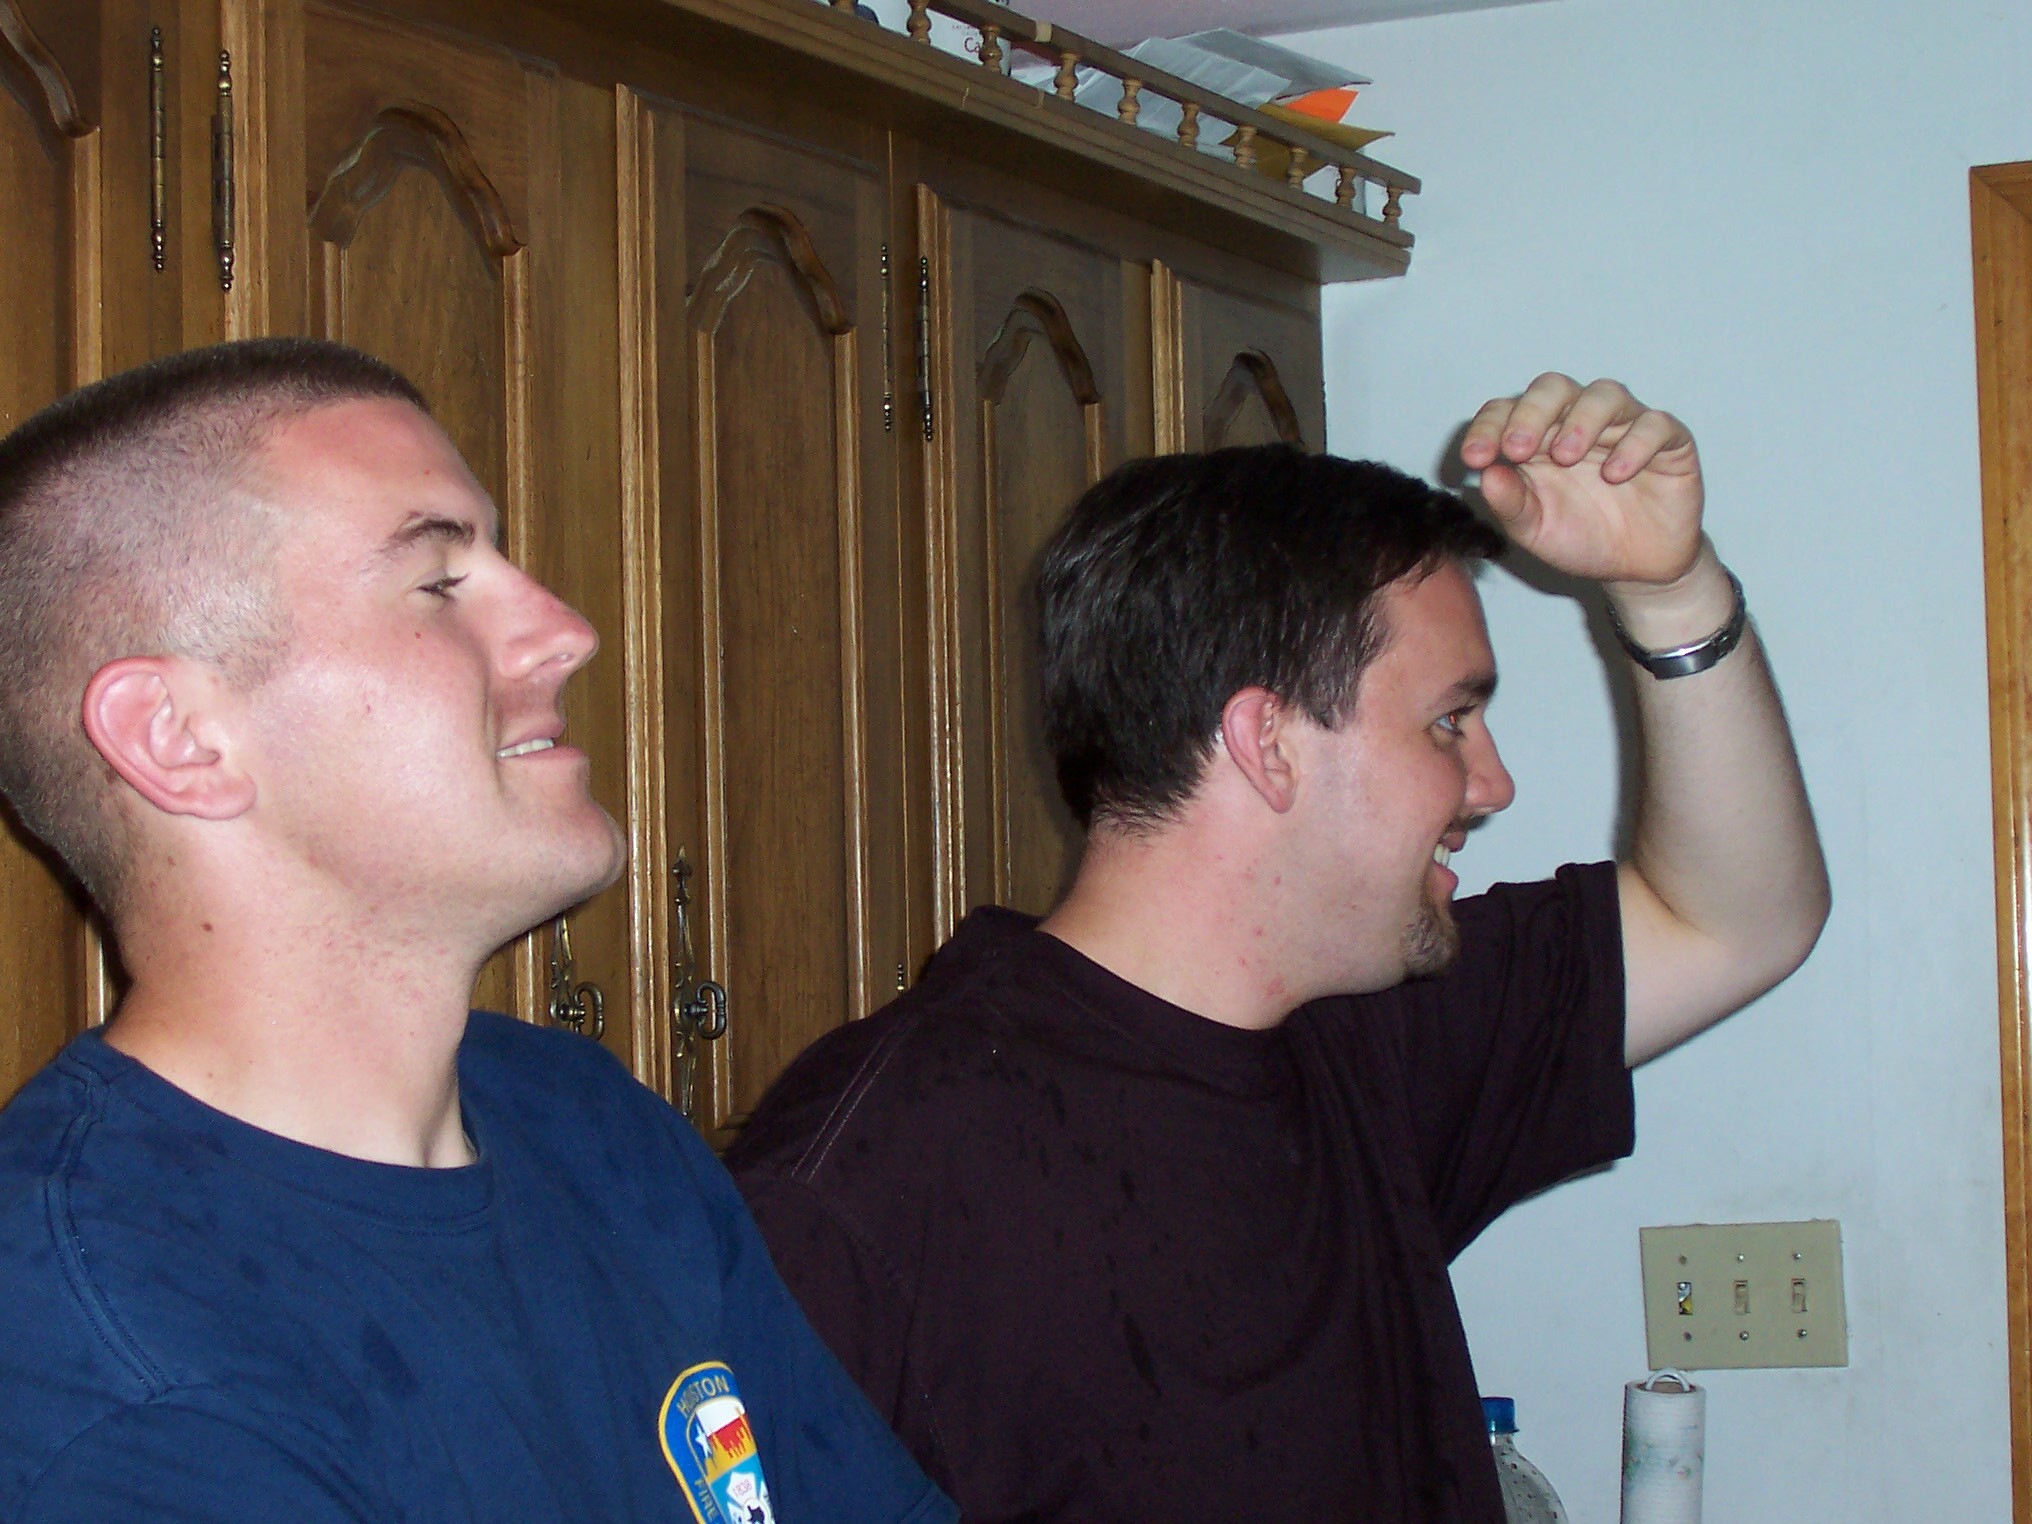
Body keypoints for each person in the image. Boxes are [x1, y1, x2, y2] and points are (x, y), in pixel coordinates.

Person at [725, 375, 1829, 1522]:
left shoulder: (1367, 1037)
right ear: (1269, 744)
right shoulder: (872, 1179)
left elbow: (1735, 919)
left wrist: (1671, 592)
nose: (1491, 784)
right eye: (1448, 721)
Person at [0, 339, 955, 1524]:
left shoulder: (586, 1122)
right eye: (439, 581)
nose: (568, 631)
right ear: (178, 739)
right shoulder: (113, 1375)